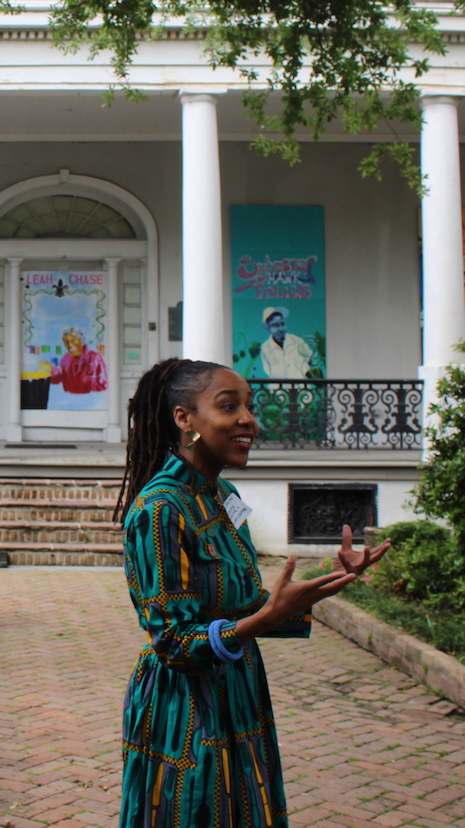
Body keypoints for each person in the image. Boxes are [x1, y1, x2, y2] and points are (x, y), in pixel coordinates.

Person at [114, 358, 390, 828]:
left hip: (238, 691)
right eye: (229, 406)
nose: (249, 420)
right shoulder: (159, 511)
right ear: (184, 419)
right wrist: (260, 623)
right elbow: (173, 644)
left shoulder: (225, 496)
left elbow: (247, 601)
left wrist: (331, 581)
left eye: (249, 406)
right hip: (184, 708)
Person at [37, 326, 108, 394]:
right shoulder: (65, 359)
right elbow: (59, 378)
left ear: (81, 341)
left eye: (73, 341)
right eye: (66, 342)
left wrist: (82, 380)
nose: (70, 345)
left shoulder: (94, 357)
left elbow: (103, 386)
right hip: (69, 401)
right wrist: (50, 369)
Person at [260, 307, 314, 379]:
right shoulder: (265, 348)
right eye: (275, 325)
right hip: (279, 389)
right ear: (267, 327)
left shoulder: (298, 341)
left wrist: (315, 351)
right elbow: (269, 372)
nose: (281, 329)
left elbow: (312, 362)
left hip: (301, 389)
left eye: (282, 324)